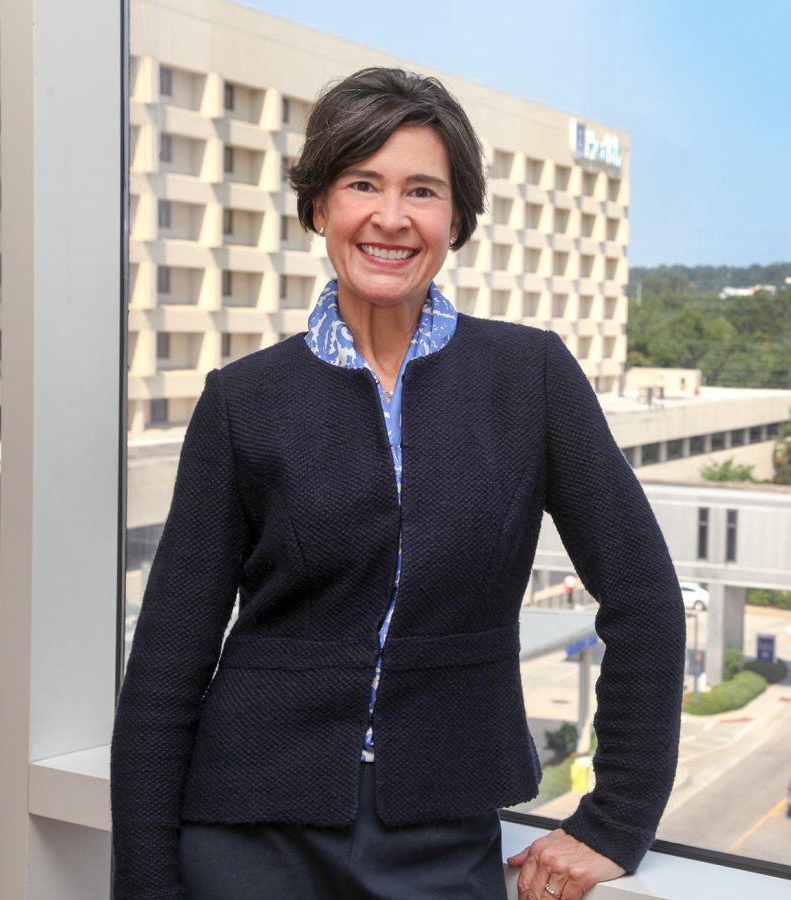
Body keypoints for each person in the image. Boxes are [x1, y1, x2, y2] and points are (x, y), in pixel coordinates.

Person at [111, 67, 685, 900]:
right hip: (246, 831)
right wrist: (145, 885)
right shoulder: (244, 400)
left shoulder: (531, 377)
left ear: (455, 220)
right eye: (361, 184)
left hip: (438, 834)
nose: (391, 216)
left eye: (422, 190)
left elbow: (644, 598)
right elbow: (168, 665)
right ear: (319, 207)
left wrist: (616, 818)